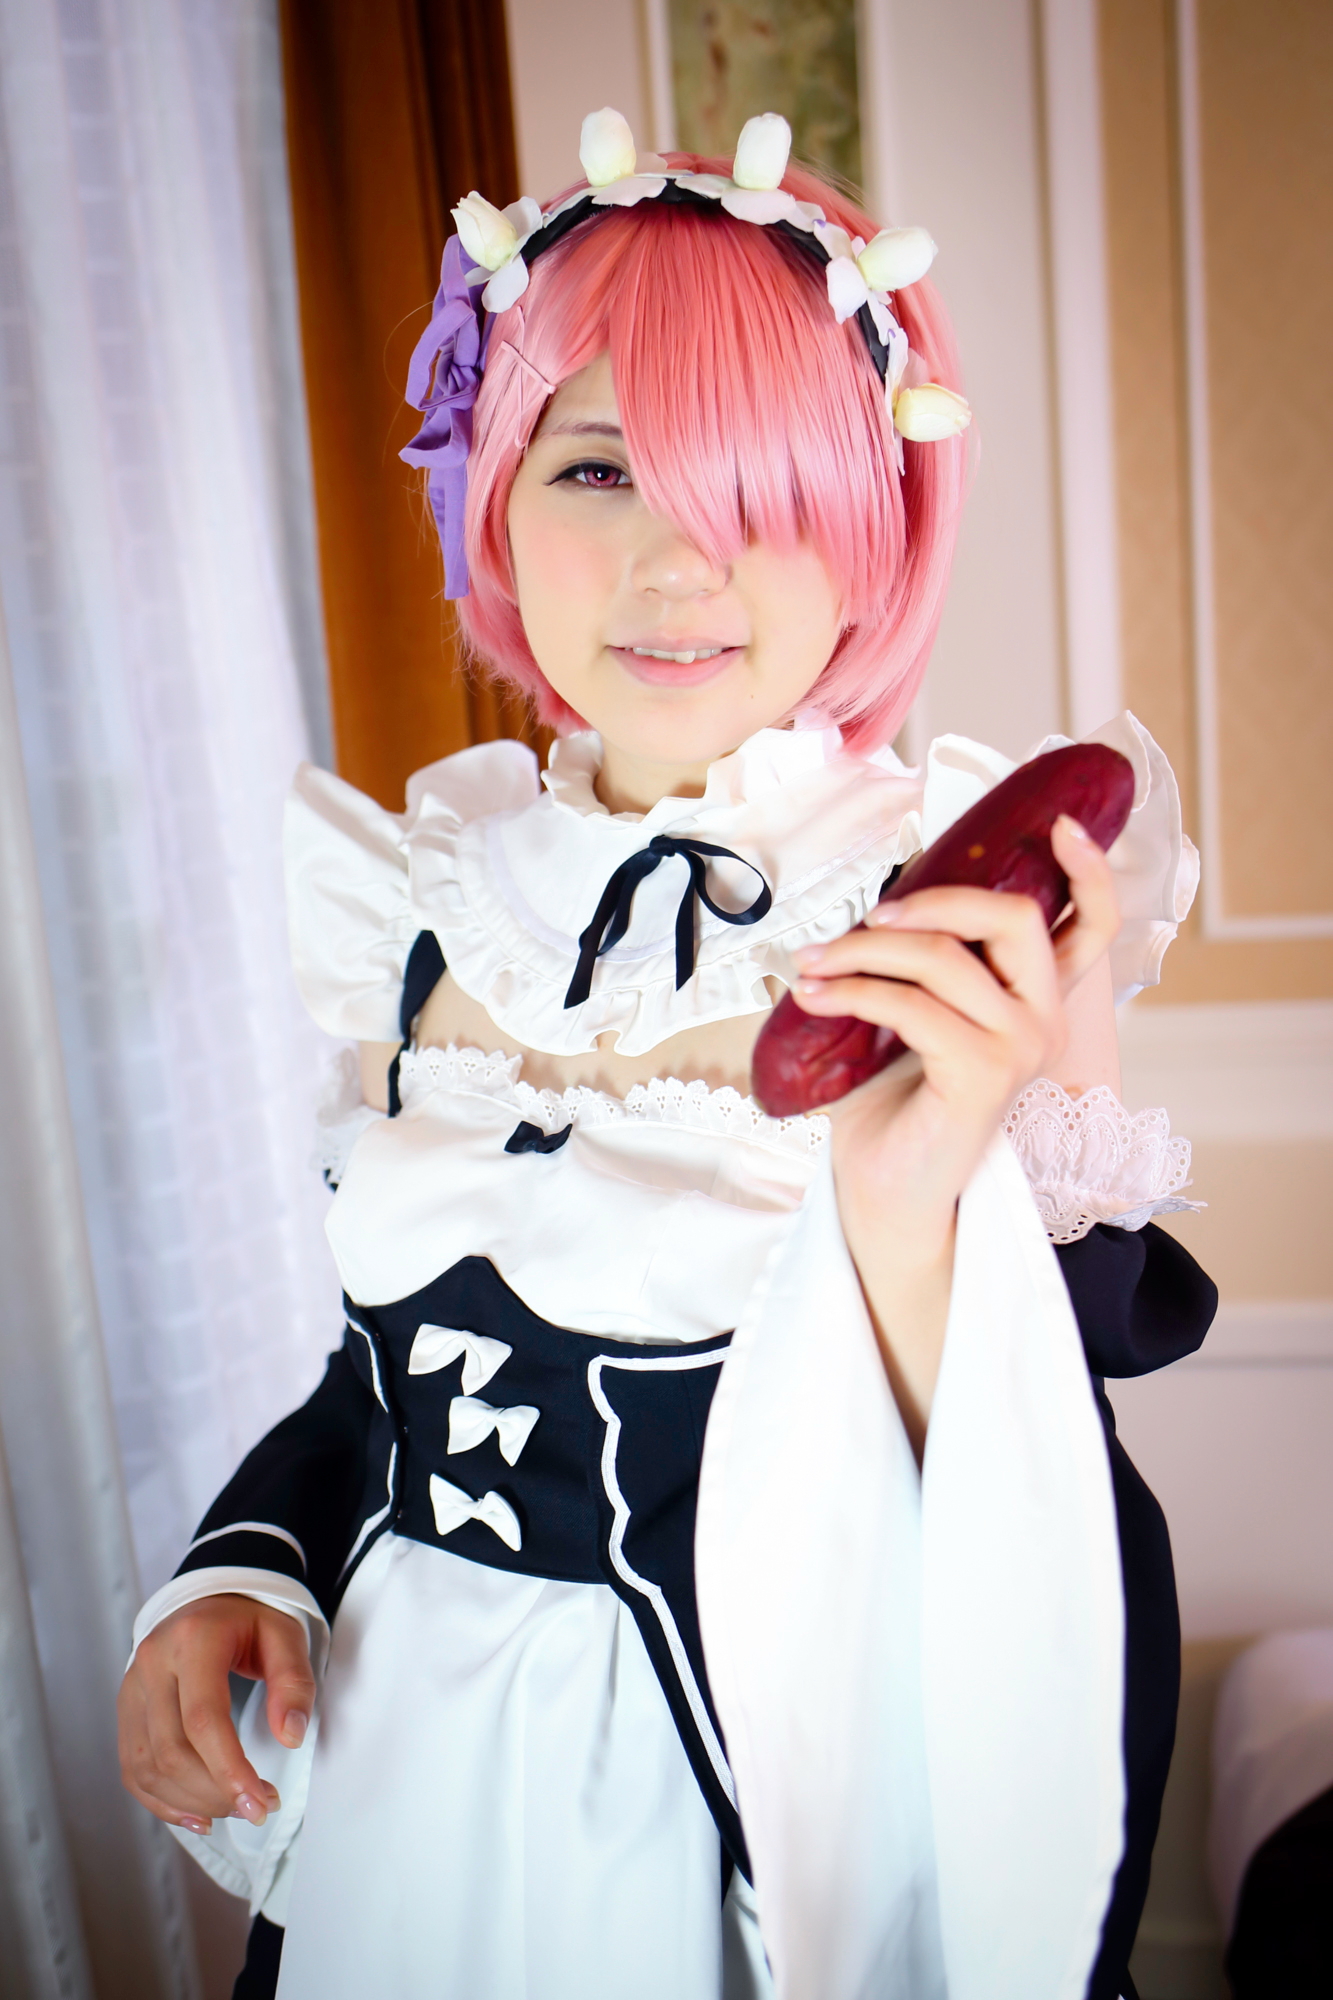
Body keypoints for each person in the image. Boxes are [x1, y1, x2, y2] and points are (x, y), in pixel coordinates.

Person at [117, 109, 1216, 2000]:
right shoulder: (424, 895)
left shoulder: (946, 909)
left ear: (873, 532)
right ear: (491, 498)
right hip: (401, 1804)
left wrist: (981, 1149)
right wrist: (244, 1565)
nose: (675, 560)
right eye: (598, 467)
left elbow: (1044, 1506)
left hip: (743, 1833)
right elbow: (385, 1378)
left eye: (756, 487)